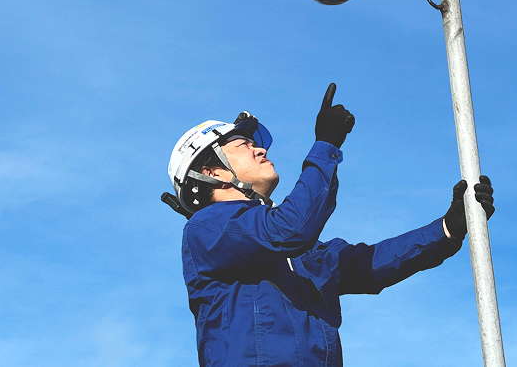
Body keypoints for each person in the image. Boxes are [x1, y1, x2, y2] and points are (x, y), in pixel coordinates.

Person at [163, 83, 495, 367]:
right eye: (245, 145)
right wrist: (326, 145)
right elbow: (291, 227)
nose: (260, 149)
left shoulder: (295, 255)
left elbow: (366, 264)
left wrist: (449, 228)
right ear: (213, 173)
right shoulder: (207, 228)